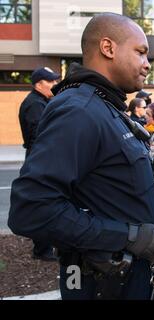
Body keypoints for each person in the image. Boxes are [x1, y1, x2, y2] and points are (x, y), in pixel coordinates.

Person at [8, 13, 154, 300]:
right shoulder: (79, 110)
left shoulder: (105, 106)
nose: (148, 64)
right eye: (141, 52)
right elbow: (30, 210)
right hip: (103, 283)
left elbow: (111, 184)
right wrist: (129, 237)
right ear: (108, 48)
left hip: (132, 279)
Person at [17, 66, 60, 261]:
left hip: (39, 157)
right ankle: (42, 251)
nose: (54, 84)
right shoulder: (35, 104)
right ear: (39, 84)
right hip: (39, 159)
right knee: (42, 203)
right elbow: (40, 136)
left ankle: (44, 248)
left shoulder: (40, 101)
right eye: (50, 81)